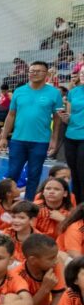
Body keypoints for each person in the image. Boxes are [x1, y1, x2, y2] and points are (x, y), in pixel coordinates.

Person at [0, 61, 63, 201]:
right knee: (12, 174)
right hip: (18, 140)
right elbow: (11, 115)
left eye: (38, 71)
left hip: (41, 141)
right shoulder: (19, 91)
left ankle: (28, 204)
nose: (34, 73)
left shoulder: (54, 93)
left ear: (46, 74)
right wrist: (3, 137)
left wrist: (54, 139)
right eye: (32, 71)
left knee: (34, 175)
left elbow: (57, 119)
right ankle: (5, 203)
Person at [59, 66, 84, 206]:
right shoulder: (73, 92)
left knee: (82, 172)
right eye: (81, 72)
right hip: (71, 135)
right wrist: (65, 117)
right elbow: (69, 116)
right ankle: (76, 206)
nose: (82, 75)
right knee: (73, 173)